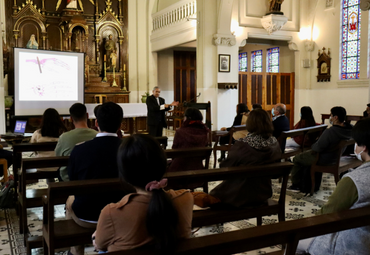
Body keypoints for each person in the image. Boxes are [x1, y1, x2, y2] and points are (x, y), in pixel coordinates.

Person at [93, 134, 193, 253]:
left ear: (125, 174)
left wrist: (95, 236)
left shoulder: (112, 213)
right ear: (162, 164)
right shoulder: (186, 198)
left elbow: (99, 245)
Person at [66, 102, 134, 255]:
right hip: (123, 212)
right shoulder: (131, 148)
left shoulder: (79, 149)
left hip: (87, 215)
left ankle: (75, 250)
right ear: (121, 124)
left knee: (70, 198)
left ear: (96, 123)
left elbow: (73, 183)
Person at [295, 117, 370, 255]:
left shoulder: (354, 181)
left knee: (295, 239)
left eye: (357, 143)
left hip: (352, 244)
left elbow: (326, 214)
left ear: (364, 147)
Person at [210, 108, 281, 208]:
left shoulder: (242, 145)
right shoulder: (274, 143)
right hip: (263, 192)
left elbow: (225, 168)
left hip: (239, 193)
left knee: (212, 197)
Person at [289, 106, 352, 192]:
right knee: (304, 156)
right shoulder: (350, 129)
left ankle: (295, 184)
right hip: (336, 157)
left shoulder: (331, 131)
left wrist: (314, 145)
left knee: (296, 159)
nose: (330, 117)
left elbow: (317, 147)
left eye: (331, 115)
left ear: (336, 117)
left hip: (323, 158)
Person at [55, 103, 98, 181]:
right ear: (87, 115)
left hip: (69, 179)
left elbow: (58, 157)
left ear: (71, 118)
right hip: (92, 178)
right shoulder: (97, 135)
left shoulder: (64, 137)